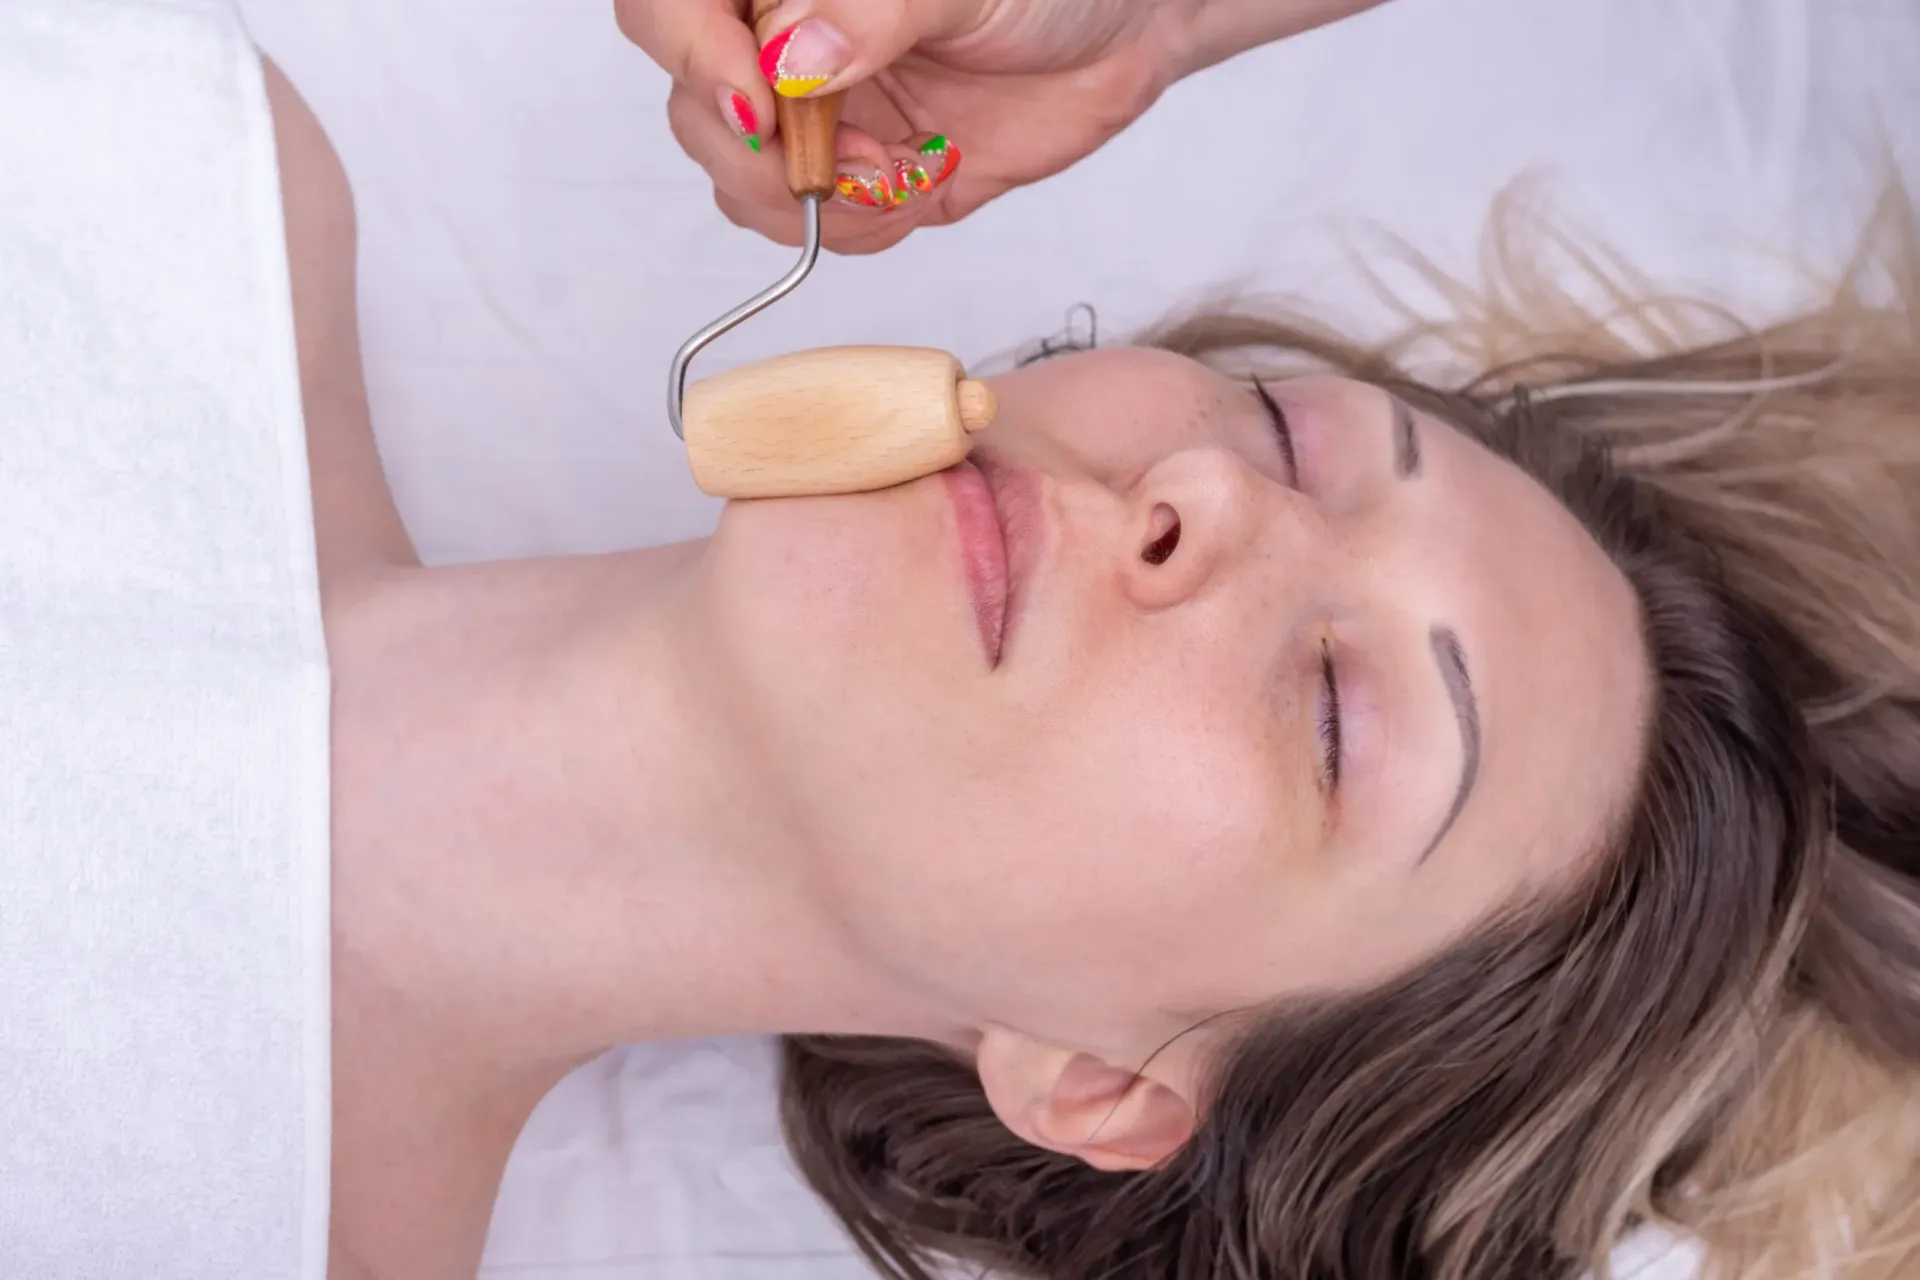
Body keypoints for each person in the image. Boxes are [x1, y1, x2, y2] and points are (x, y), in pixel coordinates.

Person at [289, 4, 1920, 1273]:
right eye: (1289, 435)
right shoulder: (218, 179)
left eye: (1341, 724)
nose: (1202, 490)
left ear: (1103, 1082)